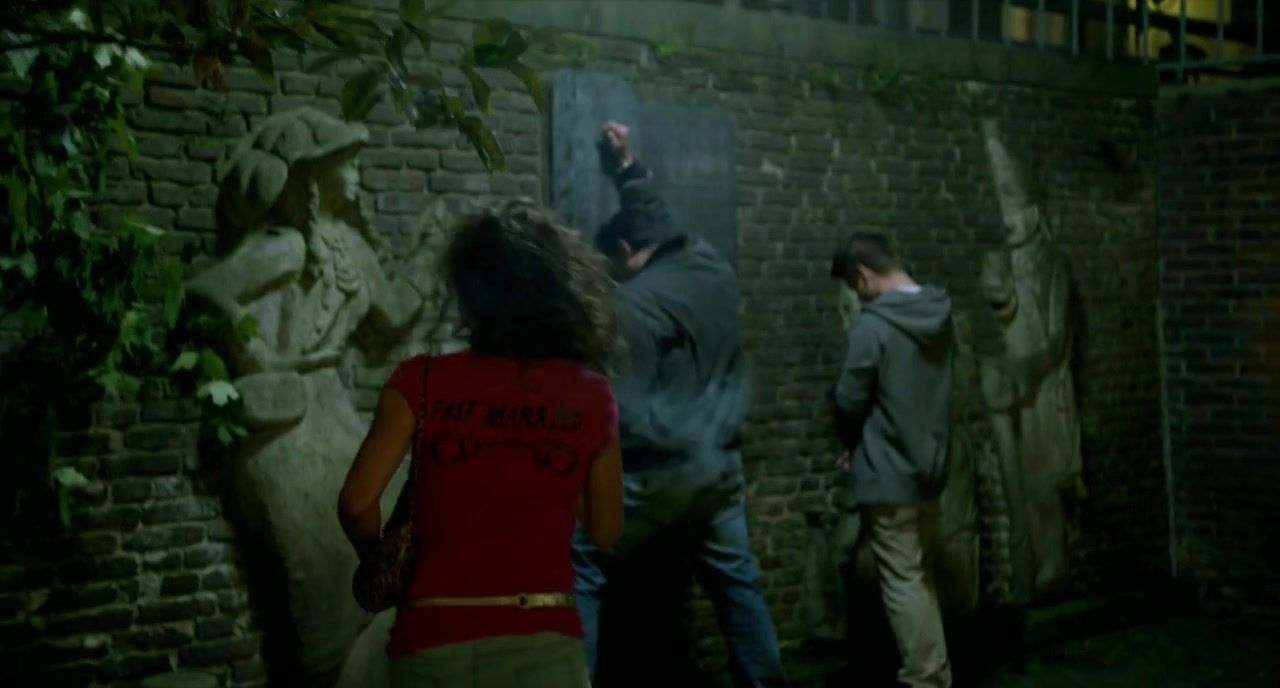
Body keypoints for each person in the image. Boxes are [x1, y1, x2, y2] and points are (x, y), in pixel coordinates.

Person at [338, 199, 625, 688]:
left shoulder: (420, 381)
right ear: (559, 290)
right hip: (542, 642)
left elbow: (356, 503)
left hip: (430, 638)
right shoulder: (590, 395)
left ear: (469, 293)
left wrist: (387, 557)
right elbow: (605, 529)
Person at [571, 121, 788, 688]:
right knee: (737, 585)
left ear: (624, 252)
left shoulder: (634, 307)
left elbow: (622, 412)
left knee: (581, 563)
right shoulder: (710, 265)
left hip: (660, 472)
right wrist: (627, 168)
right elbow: (657, 220)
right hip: (720, 468)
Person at [828, 233, 955, 688]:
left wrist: (850, 443)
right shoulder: (940, 313)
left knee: (903, 581)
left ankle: (926, 678)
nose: (856, 298)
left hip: (887, 472)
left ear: (864, 276)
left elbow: (849, 398)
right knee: (920, 576)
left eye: (853, 287)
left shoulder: (873, 326)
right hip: (931, 466)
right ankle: (935, 672)